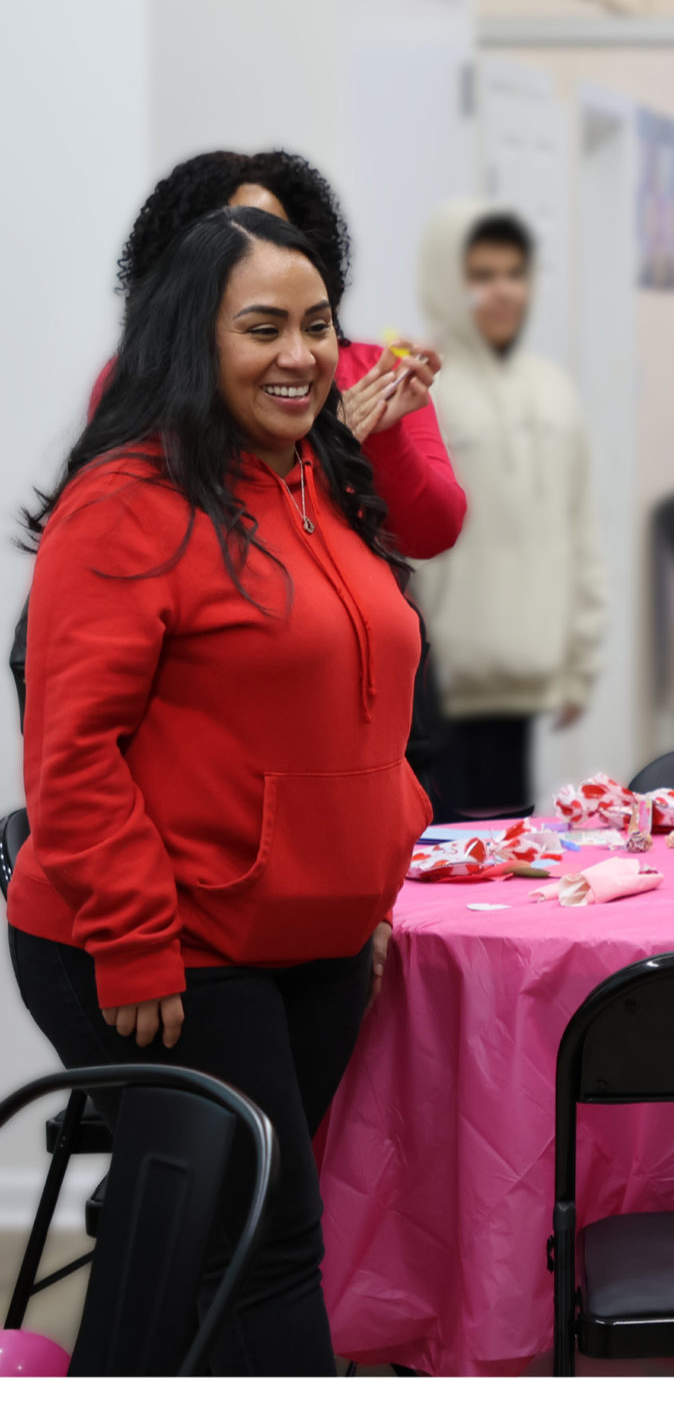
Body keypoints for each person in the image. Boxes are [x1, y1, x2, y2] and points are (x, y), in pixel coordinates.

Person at [8, 204, 430, 1375]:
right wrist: (136, 938)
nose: (299, 354)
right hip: (172, 944)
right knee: (271, 1244)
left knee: (193, 1243)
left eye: (316, 325)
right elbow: (71, 749)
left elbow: (361, 707)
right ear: (190, 337)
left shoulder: (314, 483)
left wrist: (374, 885)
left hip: (313, 937)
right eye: (262, 327)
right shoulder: (125, 502)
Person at [102, 149, 465, 558]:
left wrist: (383, 436)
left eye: (271, 232)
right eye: (223, 235)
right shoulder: (140, 372)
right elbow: (152, 513)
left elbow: (435, 532)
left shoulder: (374, 371)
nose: (250, 247)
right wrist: (330, 442)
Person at [412, 202, 606, 820]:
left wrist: (579, 660)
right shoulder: (417, 388)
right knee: (441, 865)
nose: (503, 291)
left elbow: (578, 530)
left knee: (510, 855)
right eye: (482, 275)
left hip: (525, 679)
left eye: (514, 273)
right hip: (440, 691)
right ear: (448, 281)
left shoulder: (551, 389)